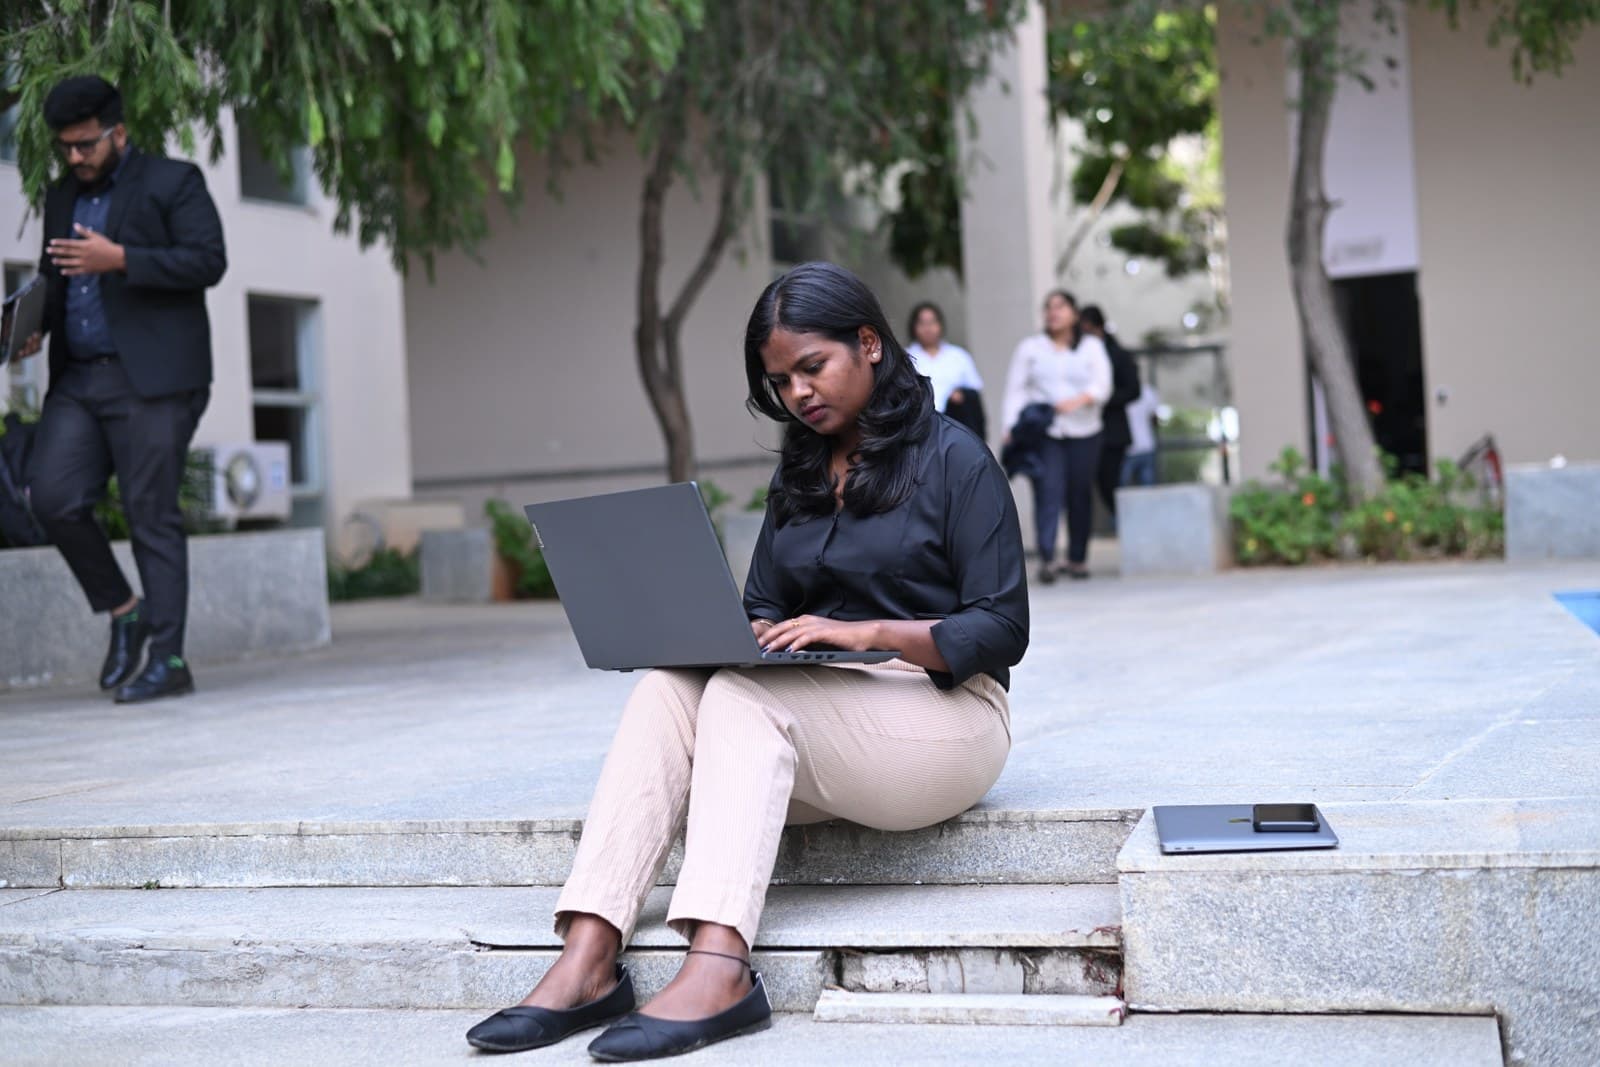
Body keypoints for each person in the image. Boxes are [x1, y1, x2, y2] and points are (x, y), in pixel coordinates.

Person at [465, 261, 1028, 1061]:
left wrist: (870, 633)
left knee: (741, 699)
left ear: (868, 344)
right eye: (779, 380)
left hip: (946, 716)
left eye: (812, 367)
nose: (798, 393)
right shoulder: (799, 472)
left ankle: (722, 967)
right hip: (822, 718)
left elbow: (1002, 626)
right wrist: (704, 630)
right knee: (674, 687)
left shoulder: (957, 460)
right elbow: (763, 603)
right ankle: (589, 954)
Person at [14, 76, 226, 703]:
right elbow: (56, 278)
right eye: (66, 148)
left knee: (150, 513)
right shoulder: (61, 196)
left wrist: (124, 259)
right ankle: (123, 610)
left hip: (153, 380)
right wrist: (31, 328)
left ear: (118, 133)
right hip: (79, 378)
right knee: (50, 496)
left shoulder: (174, 182)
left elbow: (208, 261)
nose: (74, 157)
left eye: (85, 145)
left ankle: (170, 659)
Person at [1001, 290, 1112, 584]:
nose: (1054, 313)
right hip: (1046, 431)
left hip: (1085, 431)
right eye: (1049, 308)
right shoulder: (1031, 348)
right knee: (1047, 491)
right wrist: (1010, 426)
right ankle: (1048, 558)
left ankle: (1077, 558)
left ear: (1074, 313)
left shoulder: (1090, 347)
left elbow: (1103, 386)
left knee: (1079, 493)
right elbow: (1016, 389)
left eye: (1060, 307)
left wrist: (1077, 401)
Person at [1078, 306, 1141, 516]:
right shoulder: (1075, 354)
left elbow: (1133, 390)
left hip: (1112, 432)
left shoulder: (1118, 356)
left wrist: (1100, 398)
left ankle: (1126, 524)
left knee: (1110, 482)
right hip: (1082, 428)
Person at [905, 300, 986, 439]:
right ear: (914, 327)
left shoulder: (959, 356)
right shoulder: (906, 357)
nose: (928, 328)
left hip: (955, 425)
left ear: (940, 325)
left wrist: (961, 395)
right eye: (922, 323)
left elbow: (975, 392)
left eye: (932, 322)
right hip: (920, 426)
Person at [1122, 379, 1161, 488]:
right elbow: (1155, 420)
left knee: (1122, 491)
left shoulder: (1118, 390)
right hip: (1146, 446)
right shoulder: (1148, 391)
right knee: (1148, 491)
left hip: (1127, 449)